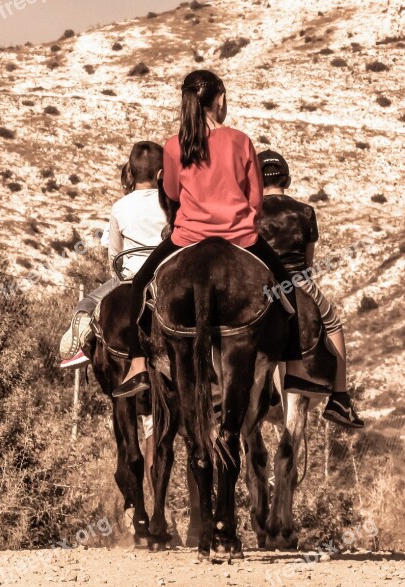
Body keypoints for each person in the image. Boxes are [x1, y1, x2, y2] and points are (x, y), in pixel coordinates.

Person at [112, 69, 331, 400]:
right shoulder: (241, 141)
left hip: (187, 236)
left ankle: (138, 363)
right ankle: (296, 368)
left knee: (141, 281)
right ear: (221, 100)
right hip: (240, 236)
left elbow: (170, 191)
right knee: (286, 284)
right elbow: (255, 199)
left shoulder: (173, 146)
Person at [257, 149, 363, 428]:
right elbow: (309, 262)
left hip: (261, 285)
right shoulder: (305, 211)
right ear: (287, 180)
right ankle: (340, 398)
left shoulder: (248, 211)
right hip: (297, 281)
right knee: (334, 323)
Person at [59, 141, 168, 369]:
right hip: (164, 276)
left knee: (88, 301)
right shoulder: (169, 204)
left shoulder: (120, 207)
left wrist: (116, 276)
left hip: (130, 276)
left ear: (131, 172)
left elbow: (115, 255)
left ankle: (83, 334)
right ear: (161, 173)